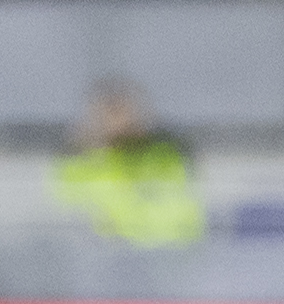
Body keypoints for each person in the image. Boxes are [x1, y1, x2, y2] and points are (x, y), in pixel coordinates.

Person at [56, 76, 203, 245]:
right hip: (103, 259)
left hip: (165, 253)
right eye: (107, 111)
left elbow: (177, 214)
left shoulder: (165, 157)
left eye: (120, 110)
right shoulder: (78, 165)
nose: (115, 120)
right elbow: (63, 209)